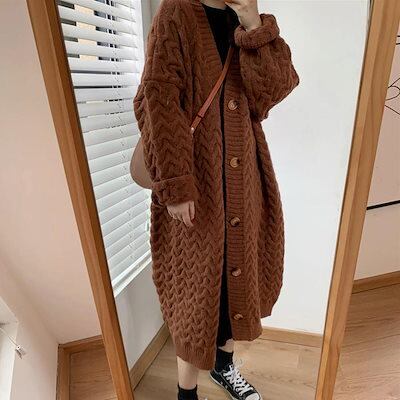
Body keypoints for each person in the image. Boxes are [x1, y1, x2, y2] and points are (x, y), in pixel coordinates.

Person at [133, 0, 300, 399]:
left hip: (245, 184)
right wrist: (176, 185)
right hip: (194, 186)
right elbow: (158, 99)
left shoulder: (246, 19)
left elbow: (272, 93)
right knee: (195, 296)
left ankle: (225, 368)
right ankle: (186, 392)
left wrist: (253, 25)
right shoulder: (176, 13)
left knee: (235, 284)